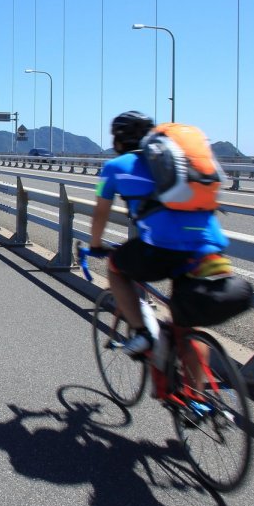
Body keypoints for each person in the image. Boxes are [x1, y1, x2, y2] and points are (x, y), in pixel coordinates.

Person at [88, 111, 231, 357]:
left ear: (118, 142)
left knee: (116, 267)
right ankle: (195, 394)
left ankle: (142, 332)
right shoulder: (177, 162)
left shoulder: (114, 167)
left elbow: (101, 213)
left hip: (162, 248)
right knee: (185, 325)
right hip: (208, 245)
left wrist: (96, 244)